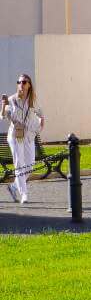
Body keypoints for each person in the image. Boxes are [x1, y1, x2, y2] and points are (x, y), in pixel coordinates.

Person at [1, 74, 43, 204]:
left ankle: (13, 187)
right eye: (19, 82)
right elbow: (3, 116)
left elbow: (40, 114)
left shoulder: (33, 101)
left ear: (29, 85)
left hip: (28, 136)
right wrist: (3, 105)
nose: (21, 84)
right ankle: (24, 194)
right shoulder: (12, 99)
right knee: (19, 163)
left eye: (24, 82)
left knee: (30, 165)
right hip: (15, 135)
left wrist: (40, 124)